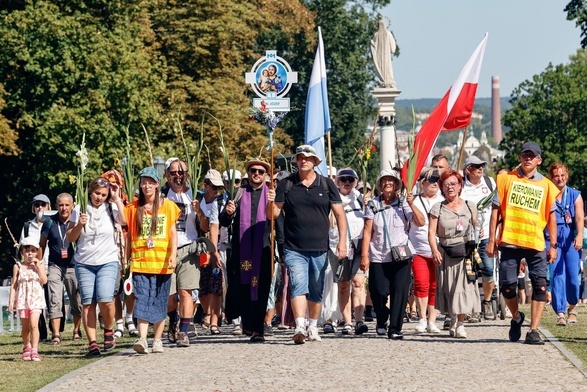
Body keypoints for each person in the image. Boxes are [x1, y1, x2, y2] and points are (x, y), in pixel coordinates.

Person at [267, 144, 347, 344]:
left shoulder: (327, 184)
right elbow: (274, 215)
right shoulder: (286, 184)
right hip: (294, 247)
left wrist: (342, 242)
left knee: (316, 288)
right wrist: (270, 201)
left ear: (315, 162)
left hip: (320, 247)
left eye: (308, 158)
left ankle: (312, 325)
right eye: (300, 157)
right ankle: (300, 326)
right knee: (298, 285)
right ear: (296, 160)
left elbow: (340, 215)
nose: (303, 160)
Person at [487, 142, 560, 345]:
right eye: (524, 155)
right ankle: (517, 317)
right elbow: (495, 212)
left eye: (532, 156)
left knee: (540, 287)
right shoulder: (504, 179)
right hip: (509, 241)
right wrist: (491, 239)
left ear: (539, 160)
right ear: (520, 158)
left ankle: (533, 331)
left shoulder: (546, 185)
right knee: (508, 287)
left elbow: (552, 216)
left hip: (535, 243)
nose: (528, 158)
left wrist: (553, 245)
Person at [66, 177, 127, 355]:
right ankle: (92, 342)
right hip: (84, 262)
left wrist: (116, 199)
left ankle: (109, 329)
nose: (99, 197)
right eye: (96, 193)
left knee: (106, 298)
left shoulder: (111, 207)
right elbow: (70, 237)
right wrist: (80, 225)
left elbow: (123, 221)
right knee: (88, 303)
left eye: (103, 194)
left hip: (107, 260)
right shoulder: (80, 208)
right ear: (90, 191)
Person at [125, 167, 180, 354]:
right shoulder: (133, 208)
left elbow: (173, 233)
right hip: (141, 262)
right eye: (143, 182)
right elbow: (128, 235)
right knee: (142, 299)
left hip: (163, 263)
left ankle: (157, 340)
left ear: (157, 184)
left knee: (159, 300)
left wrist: (173, 255)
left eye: (150, 182)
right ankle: (142, 339)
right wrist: (126, 258)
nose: (146, 186)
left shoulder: (168, 206)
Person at [361, 170, 417, 340]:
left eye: (391, 181)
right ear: (380, 185)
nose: (388, 184)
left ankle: (395, 328)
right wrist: (364, 255)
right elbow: (367, 230)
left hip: (401, 255)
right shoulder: (373, 204)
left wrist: (412, 204)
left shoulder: (403, 203)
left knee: (400, 291)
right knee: (378, 291)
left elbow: (419, 222)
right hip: (379, 254)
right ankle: (382, 315)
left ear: (397, 184)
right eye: (384, 181)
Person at [221, 158, 272, 342]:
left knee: (261, 287)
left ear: (266, 174)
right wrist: (228, 212)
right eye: (253, 171)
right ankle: (248, 324)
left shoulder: (270, 195)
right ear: (248, 173)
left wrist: (281, 247)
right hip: (241, 249)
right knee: (244, 286)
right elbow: (224, 222)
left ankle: (258, 328)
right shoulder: (238, 194)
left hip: (263, 248)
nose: (256, 174)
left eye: (260, 171)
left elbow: (278, 222)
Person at [428, 170, 480, 339]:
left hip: (464, 253)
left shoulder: (470, 206)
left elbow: (476, 226)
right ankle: (451, 319)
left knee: (462, 288)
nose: (450, 187)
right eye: (446, 184)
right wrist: (434, 250)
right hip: (445, 253)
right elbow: (431, 232)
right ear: (442, 187)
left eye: (453, 184)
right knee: (449, 288)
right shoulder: (438, 208)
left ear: (460, 186)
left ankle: (461, 324)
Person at [163, 158, 200, 347]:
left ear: (187, 174)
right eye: (173, 173)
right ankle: (173, 318)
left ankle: (183, 332)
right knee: (169, 296)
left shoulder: (196, 195)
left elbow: (205, 225)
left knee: (186, 291)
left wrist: (199, 211)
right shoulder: (162, 195)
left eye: (181, 172)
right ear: (167, 175)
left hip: (189, 248)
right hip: (166, 249)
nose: (178, 176)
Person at [328, 168, 368, 335]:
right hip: (338, 247)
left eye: (350, 179)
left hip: (358, 246)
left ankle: (359, 320)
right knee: (343, 285)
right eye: (343, 179)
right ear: (337, 181)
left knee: (358, 282)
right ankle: (347, 322)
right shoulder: (332, 198)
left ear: (355, 182)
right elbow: (328, 223)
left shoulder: (360, 199)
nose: (346, 182)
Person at [39, 193, 82, 345]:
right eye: (61, 205)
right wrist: (39, 266)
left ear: (72, 205)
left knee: (76, 300)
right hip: (55, 265)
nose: (64, 208)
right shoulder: (49, 222)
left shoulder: (77, 221)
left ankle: (76, 330)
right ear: (56, 206)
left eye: (67, 205)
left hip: (73, 265)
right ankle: (56, 334)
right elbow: (42, 245)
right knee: (55, 299)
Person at [545, 162, 584, 325]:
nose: (559, 179)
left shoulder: (575, 194)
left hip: (570, 238)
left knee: (573, 276)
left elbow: (579, 217)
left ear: (566, 176)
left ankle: (573, 307)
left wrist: (580, 235)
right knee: (557, 275)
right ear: (551, 178)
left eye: (562, 175)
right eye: (556, 176)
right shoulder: (547, 195)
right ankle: (560, 312)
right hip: (552, 238)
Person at [100, 169, 136, 339]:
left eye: (115, 185)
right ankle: (119, 323)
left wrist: (118, 199)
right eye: (109, 185)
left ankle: (130, 319)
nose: (112, 189)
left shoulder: (129, 203)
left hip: (129, 249)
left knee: (130, 288)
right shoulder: (102, 206)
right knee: (114, 290)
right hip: (111, 253)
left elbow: (127, 222)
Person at [461, 155, 497, 320]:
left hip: (486, 236)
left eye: (482, 165)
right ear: (468, 169)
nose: (481, 168)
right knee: (468, 272)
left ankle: (487, 301)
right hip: (465, 237)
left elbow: (497, 209)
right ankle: (469, 305)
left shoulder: (489, 183)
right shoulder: (461, 185)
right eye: (477, 166)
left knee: (488, 269)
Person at [409, 167, 444, 334]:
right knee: (421, 283)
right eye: (431, 180)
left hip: (439, 250)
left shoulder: (444, 200)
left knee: (435, 286)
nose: (435, 183)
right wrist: (410, 203)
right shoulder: (413, 200)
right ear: (422, 183)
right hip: (418, 249)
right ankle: (422, 318)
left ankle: (432, 320)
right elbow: (418, 222)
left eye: (437, 180)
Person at [9, 237, 47, 361]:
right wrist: (11, 302)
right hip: (22, 300)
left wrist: (37, 267)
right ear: (22, 252)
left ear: (37, 252)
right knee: (25, 328)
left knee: (33, 324)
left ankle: (35, 350)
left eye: (33, 250)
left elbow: (44, 281)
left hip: (35, 299)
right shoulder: (18, 266)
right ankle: (27, 346)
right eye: (27, 250)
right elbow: (14, 285)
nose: (30, 253)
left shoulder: (40, 264)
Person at [19, 194, 52, 341]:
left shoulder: (52, 223)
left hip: (50, 264)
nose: (40, 207)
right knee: (35, 300)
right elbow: (22, 246)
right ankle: (41, 333)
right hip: (33, 267)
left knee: (52, 299)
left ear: (48, 207)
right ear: (33, 207)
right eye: (37, 204)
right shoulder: (27, 226)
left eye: (43, 204)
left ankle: (56, 330)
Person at [197, 169, 224, 335]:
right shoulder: (197, 199)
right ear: (205, 185)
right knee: (201, 284)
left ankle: (214, 319)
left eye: (219, 187)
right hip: (199, 246)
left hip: (216, 244)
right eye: (213, 187)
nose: (216, 191)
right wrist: (198, 211)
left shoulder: (221, 201)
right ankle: (206, 312)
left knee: (216, 283)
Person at [370, 19, 397, 88]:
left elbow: (373, 47)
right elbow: (393, 49)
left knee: (381, 69)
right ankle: (388, 82)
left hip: (379, 57)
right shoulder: (388, 34)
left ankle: (383, 81)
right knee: (388, 69)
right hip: (386, 57)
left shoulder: (376, 35)